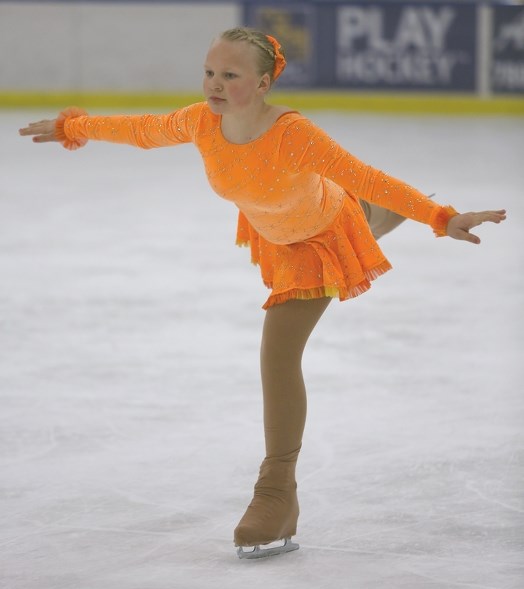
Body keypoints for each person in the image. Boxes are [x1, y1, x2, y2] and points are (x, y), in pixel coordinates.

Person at [19, 27, 506, 560]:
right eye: (210, 72)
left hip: (317, 236)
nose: (215, 84)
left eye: (231, 76)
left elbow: (366, 175)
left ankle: (277, 493)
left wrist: (442, 216)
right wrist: (76, 126)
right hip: (279, 229)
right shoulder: (203, 122)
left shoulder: (294, 134)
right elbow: (145, 128)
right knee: (364, 217)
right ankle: (381, 221)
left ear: (264, 82)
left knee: (279, 355)